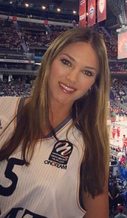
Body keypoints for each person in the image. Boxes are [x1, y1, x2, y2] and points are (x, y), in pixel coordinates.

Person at [0, 28, 110, 217]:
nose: (72, 78)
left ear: (94, 84)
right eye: (66, 62)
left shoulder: (90, 146)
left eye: (87, 72)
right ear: (50, 59)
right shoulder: (3, 109)